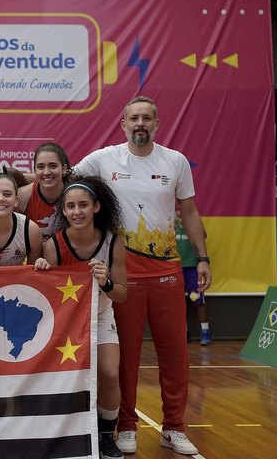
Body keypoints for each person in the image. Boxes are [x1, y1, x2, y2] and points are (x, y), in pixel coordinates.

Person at [73, 96, 211, 456]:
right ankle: (126, 425)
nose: (140, 124)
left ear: (156, 123)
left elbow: (191, 211)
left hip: (167, 273)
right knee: (126, 356)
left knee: (175, 353)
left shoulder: (175, 161)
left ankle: (174, 427)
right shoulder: (103, 160)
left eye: (146, 118)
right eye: (133, 118)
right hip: (123, 275)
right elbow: (62, 181)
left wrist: (203, 257)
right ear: (123, 124)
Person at [34, 176, 127, 459]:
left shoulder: (113, 242)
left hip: (100, 315)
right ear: (63, 210)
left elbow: (122, 293)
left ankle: (106, 434)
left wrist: (106, 282)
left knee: (110, 373)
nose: (77, 212)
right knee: (60, 377)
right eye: (71, 206)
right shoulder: (55, 244)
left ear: (96, 207)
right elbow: (46, 294)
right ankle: (62, 432)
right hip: (64, 321)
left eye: (83, 205)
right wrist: (40, 268)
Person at [16, 142, 71, 238]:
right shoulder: (22, 196)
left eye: (53, 166)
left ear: (64, 169)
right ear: (35, 170)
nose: (46, 172)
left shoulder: (76, 194)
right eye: (41, 167)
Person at [175, 210, 211, 345]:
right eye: (177, 212)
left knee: (197, 300)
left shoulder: (193, 228)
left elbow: (203, 235)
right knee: (178, 303)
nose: (180, 215)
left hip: (193, 269)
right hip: (177, 269)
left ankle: (205, 331)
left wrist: (191, 222)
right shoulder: (173, 228)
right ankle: (184, 332)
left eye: (181, 212)